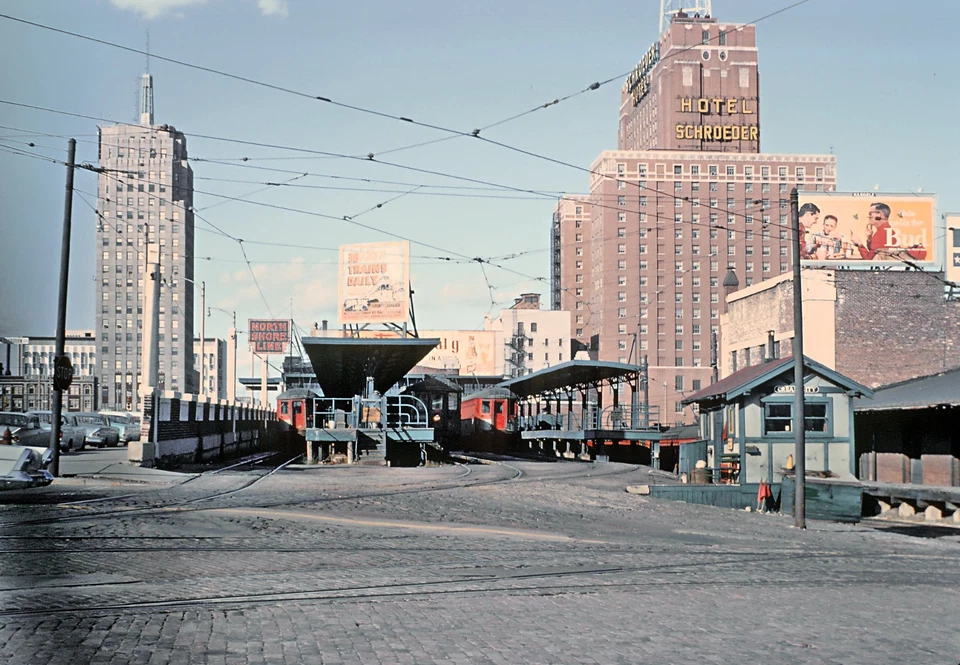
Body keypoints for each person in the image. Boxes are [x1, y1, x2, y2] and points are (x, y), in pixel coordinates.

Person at [850, 202, 928, 261]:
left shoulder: (882, 234)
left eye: (870, 213)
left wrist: (859, 244)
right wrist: (870, 239)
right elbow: (875, 253)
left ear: (879, 215)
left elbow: (869, 259)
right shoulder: (886, 230)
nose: (868, 216)